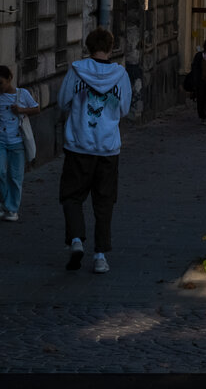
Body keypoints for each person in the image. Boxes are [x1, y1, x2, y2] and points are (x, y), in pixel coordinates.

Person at [58, 28, 132, 274]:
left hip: (79, 145)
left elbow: (62, 102)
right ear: (111, 48)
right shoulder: (120, 75)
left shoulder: (76, 70)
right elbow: (124, 109)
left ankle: (77, 240)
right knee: (104, 202)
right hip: (108, 148)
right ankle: (100, 256)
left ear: (88, 47)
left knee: (71, 196)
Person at [0, 65, 39, 222]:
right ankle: (4, 202)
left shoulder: (22, 94)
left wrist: (21, 110)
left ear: (9, 78)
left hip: (17, 142)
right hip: (1, 141)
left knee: (15, 177)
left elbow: (36, 109)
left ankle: (12, 209)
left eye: (1, 83)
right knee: (0, 172)